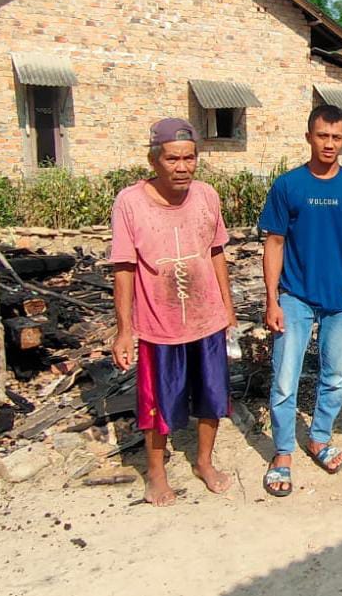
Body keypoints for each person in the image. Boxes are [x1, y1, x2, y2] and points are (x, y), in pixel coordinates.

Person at [110, 118, 236, 507]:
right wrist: (124, 330)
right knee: (157, 405)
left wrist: (228, 309)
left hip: (207, 317)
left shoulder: (206, 196)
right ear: (154, 161)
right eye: (172, 159)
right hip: (158, 325)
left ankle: (204, 462)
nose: (182, 167)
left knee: (213, 397)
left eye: (189, 158)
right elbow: (123, 267)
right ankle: (157, 475)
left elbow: (216, 251)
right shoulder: (129, 203)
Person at [258, 104, 342, 497]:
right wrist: (272, 300)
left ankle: (319, 437)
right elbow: (273, 243)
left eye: (337, 137)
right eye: (322, 136)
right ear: (308, 137)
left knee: (334, 375)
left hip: (339, 297)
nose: (329, 144)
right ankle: (283, 452)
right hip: (295, 296)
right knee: (285, 380)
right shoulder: (288, 186)